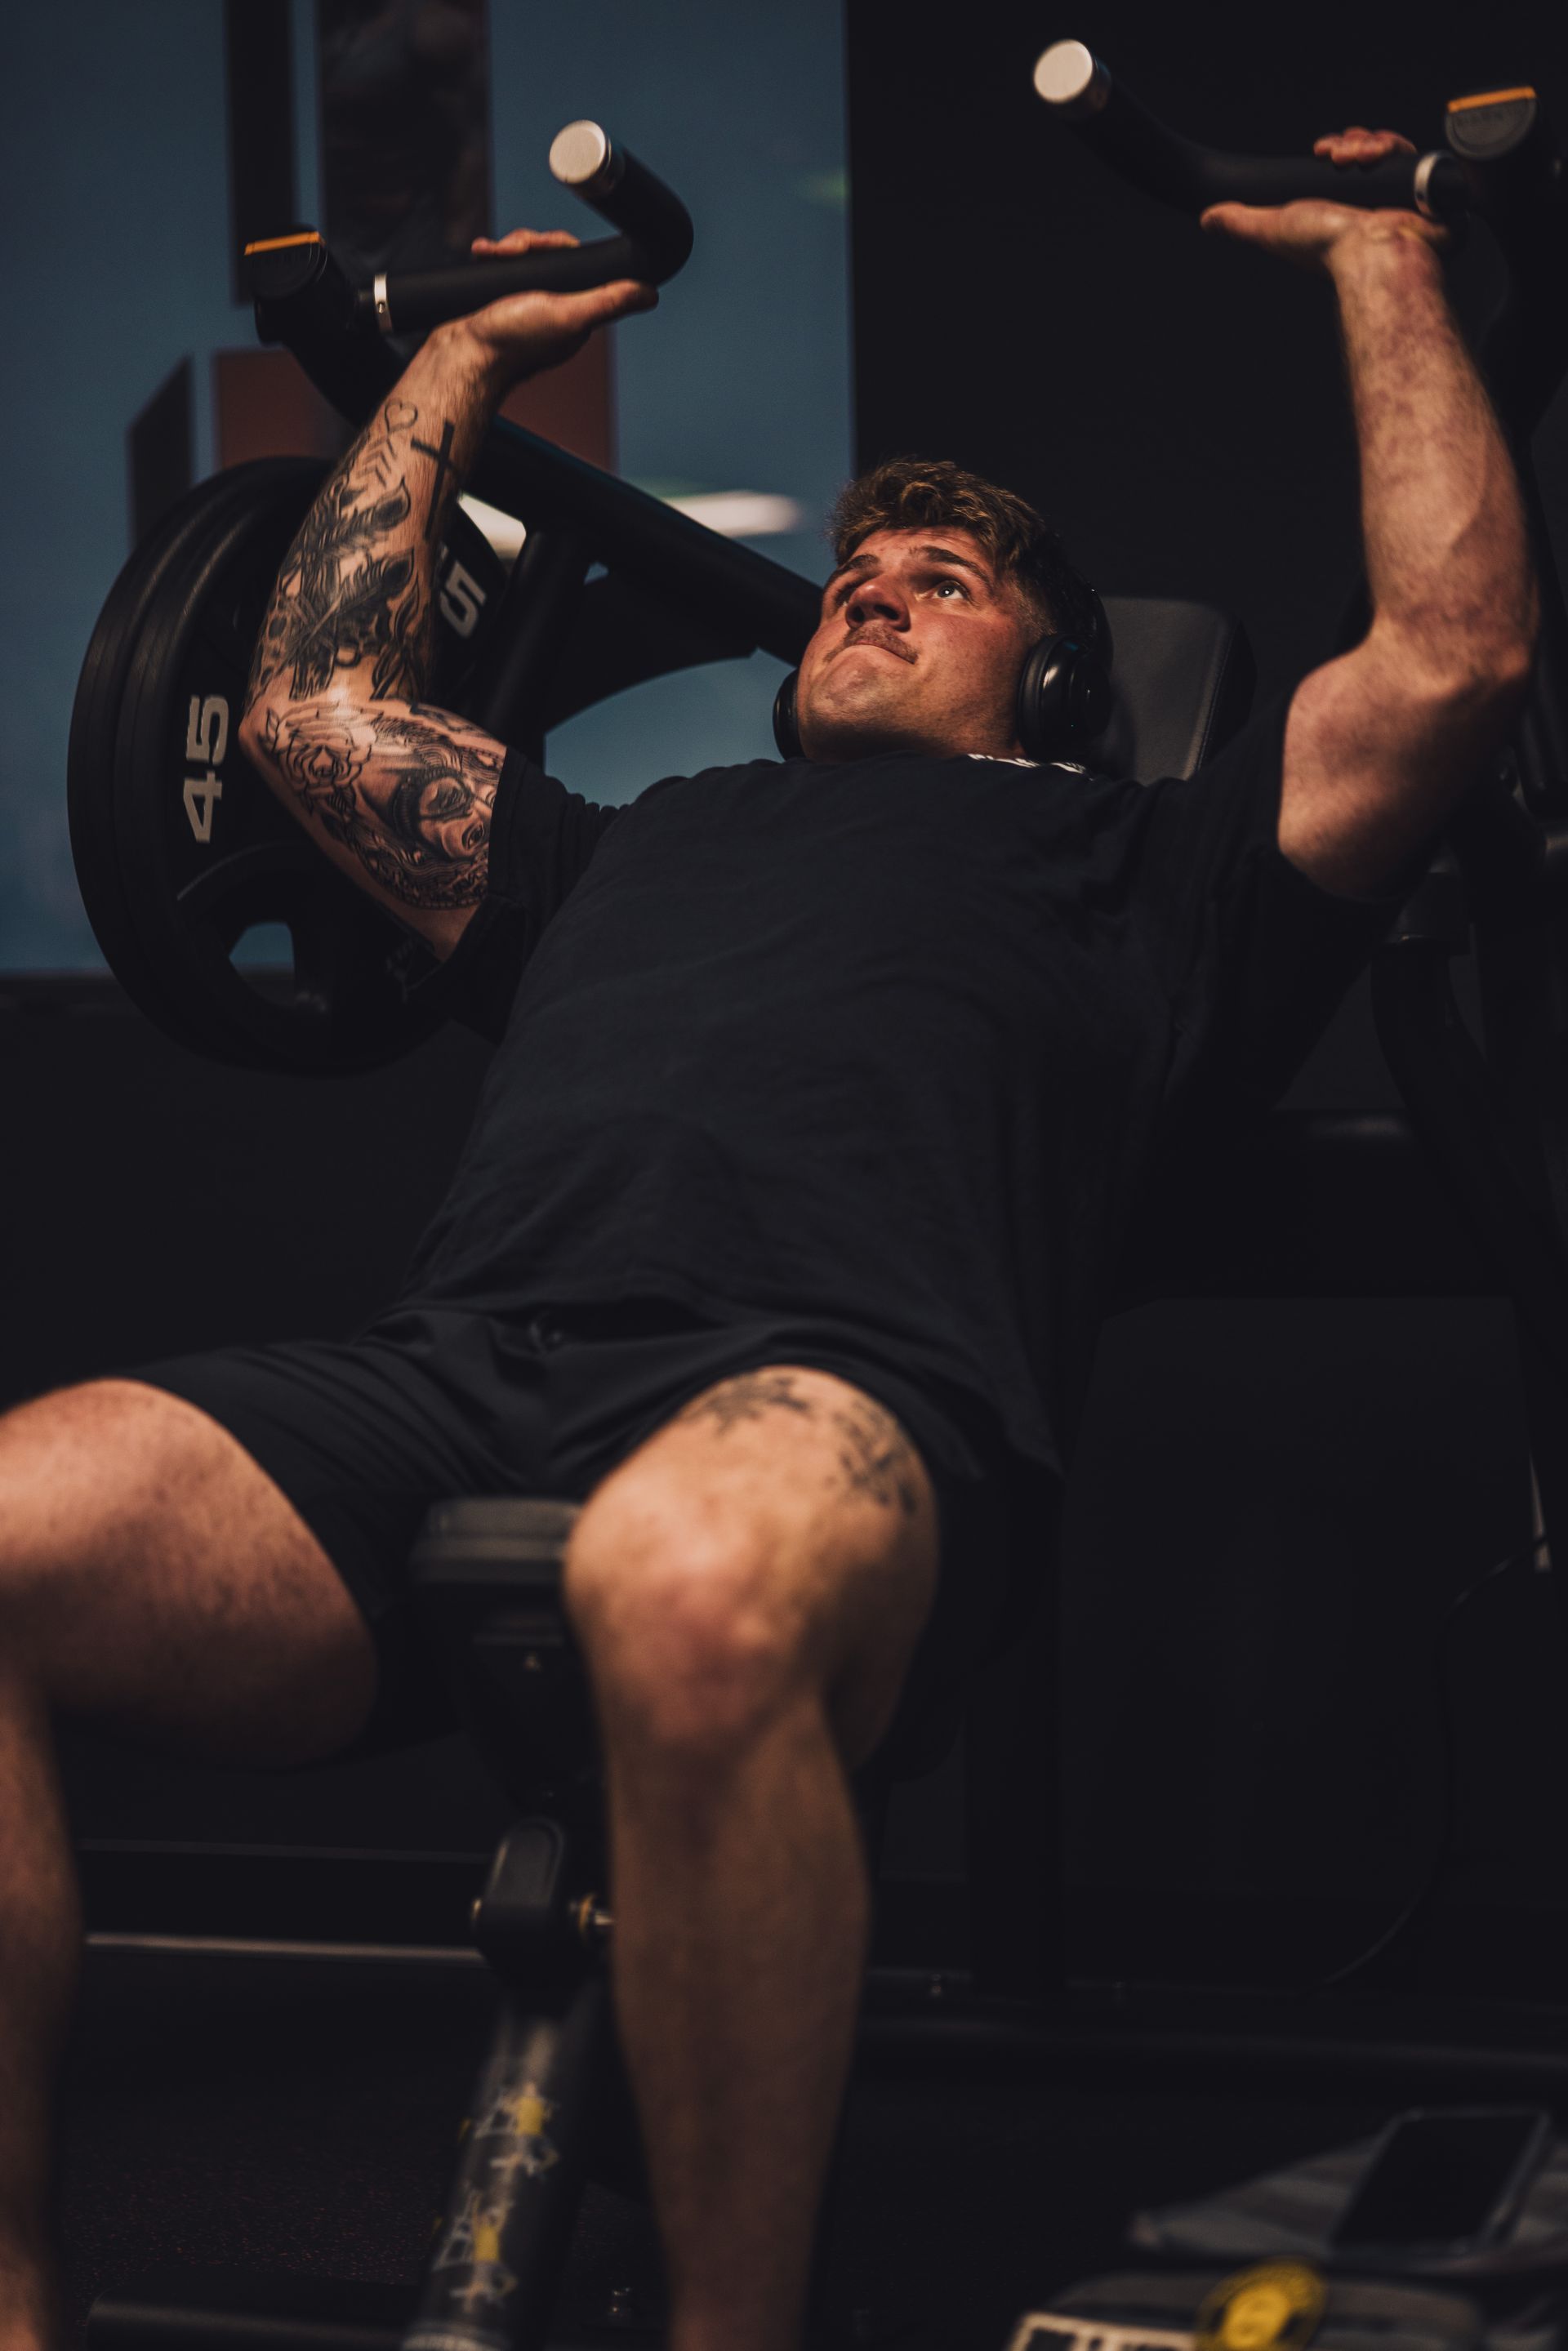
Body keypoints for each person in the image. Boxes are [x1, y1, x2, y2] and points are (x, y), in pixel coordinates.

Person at [0, 127, 1536, 2351]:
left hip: (838, 1392)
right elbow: (322, 728)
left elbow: (1455, 655)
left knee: (680, 1578)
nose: (871, 584)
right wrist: (454, 366)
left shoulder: (1156, 874)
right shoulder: (630, 847)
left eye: (944, 576)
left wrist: (1384, 255)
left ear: (1055, 687)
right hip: (463, 1376)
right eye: (855, 567)